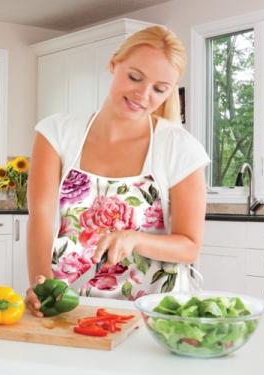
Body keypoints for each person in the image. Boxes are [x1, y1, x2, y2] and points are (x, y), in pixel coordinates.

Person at [25, 25, 210, 317]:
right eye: (135, 77)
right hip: (69, 308)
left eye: (159, 89)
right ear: (114, 64)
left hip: (154, 313)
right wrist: (41, 285)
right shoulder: (56, 133)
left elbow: (190, 247)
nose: (143, 94)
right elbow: (41, 217)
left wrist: (134, 238)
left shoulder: (179, 148)